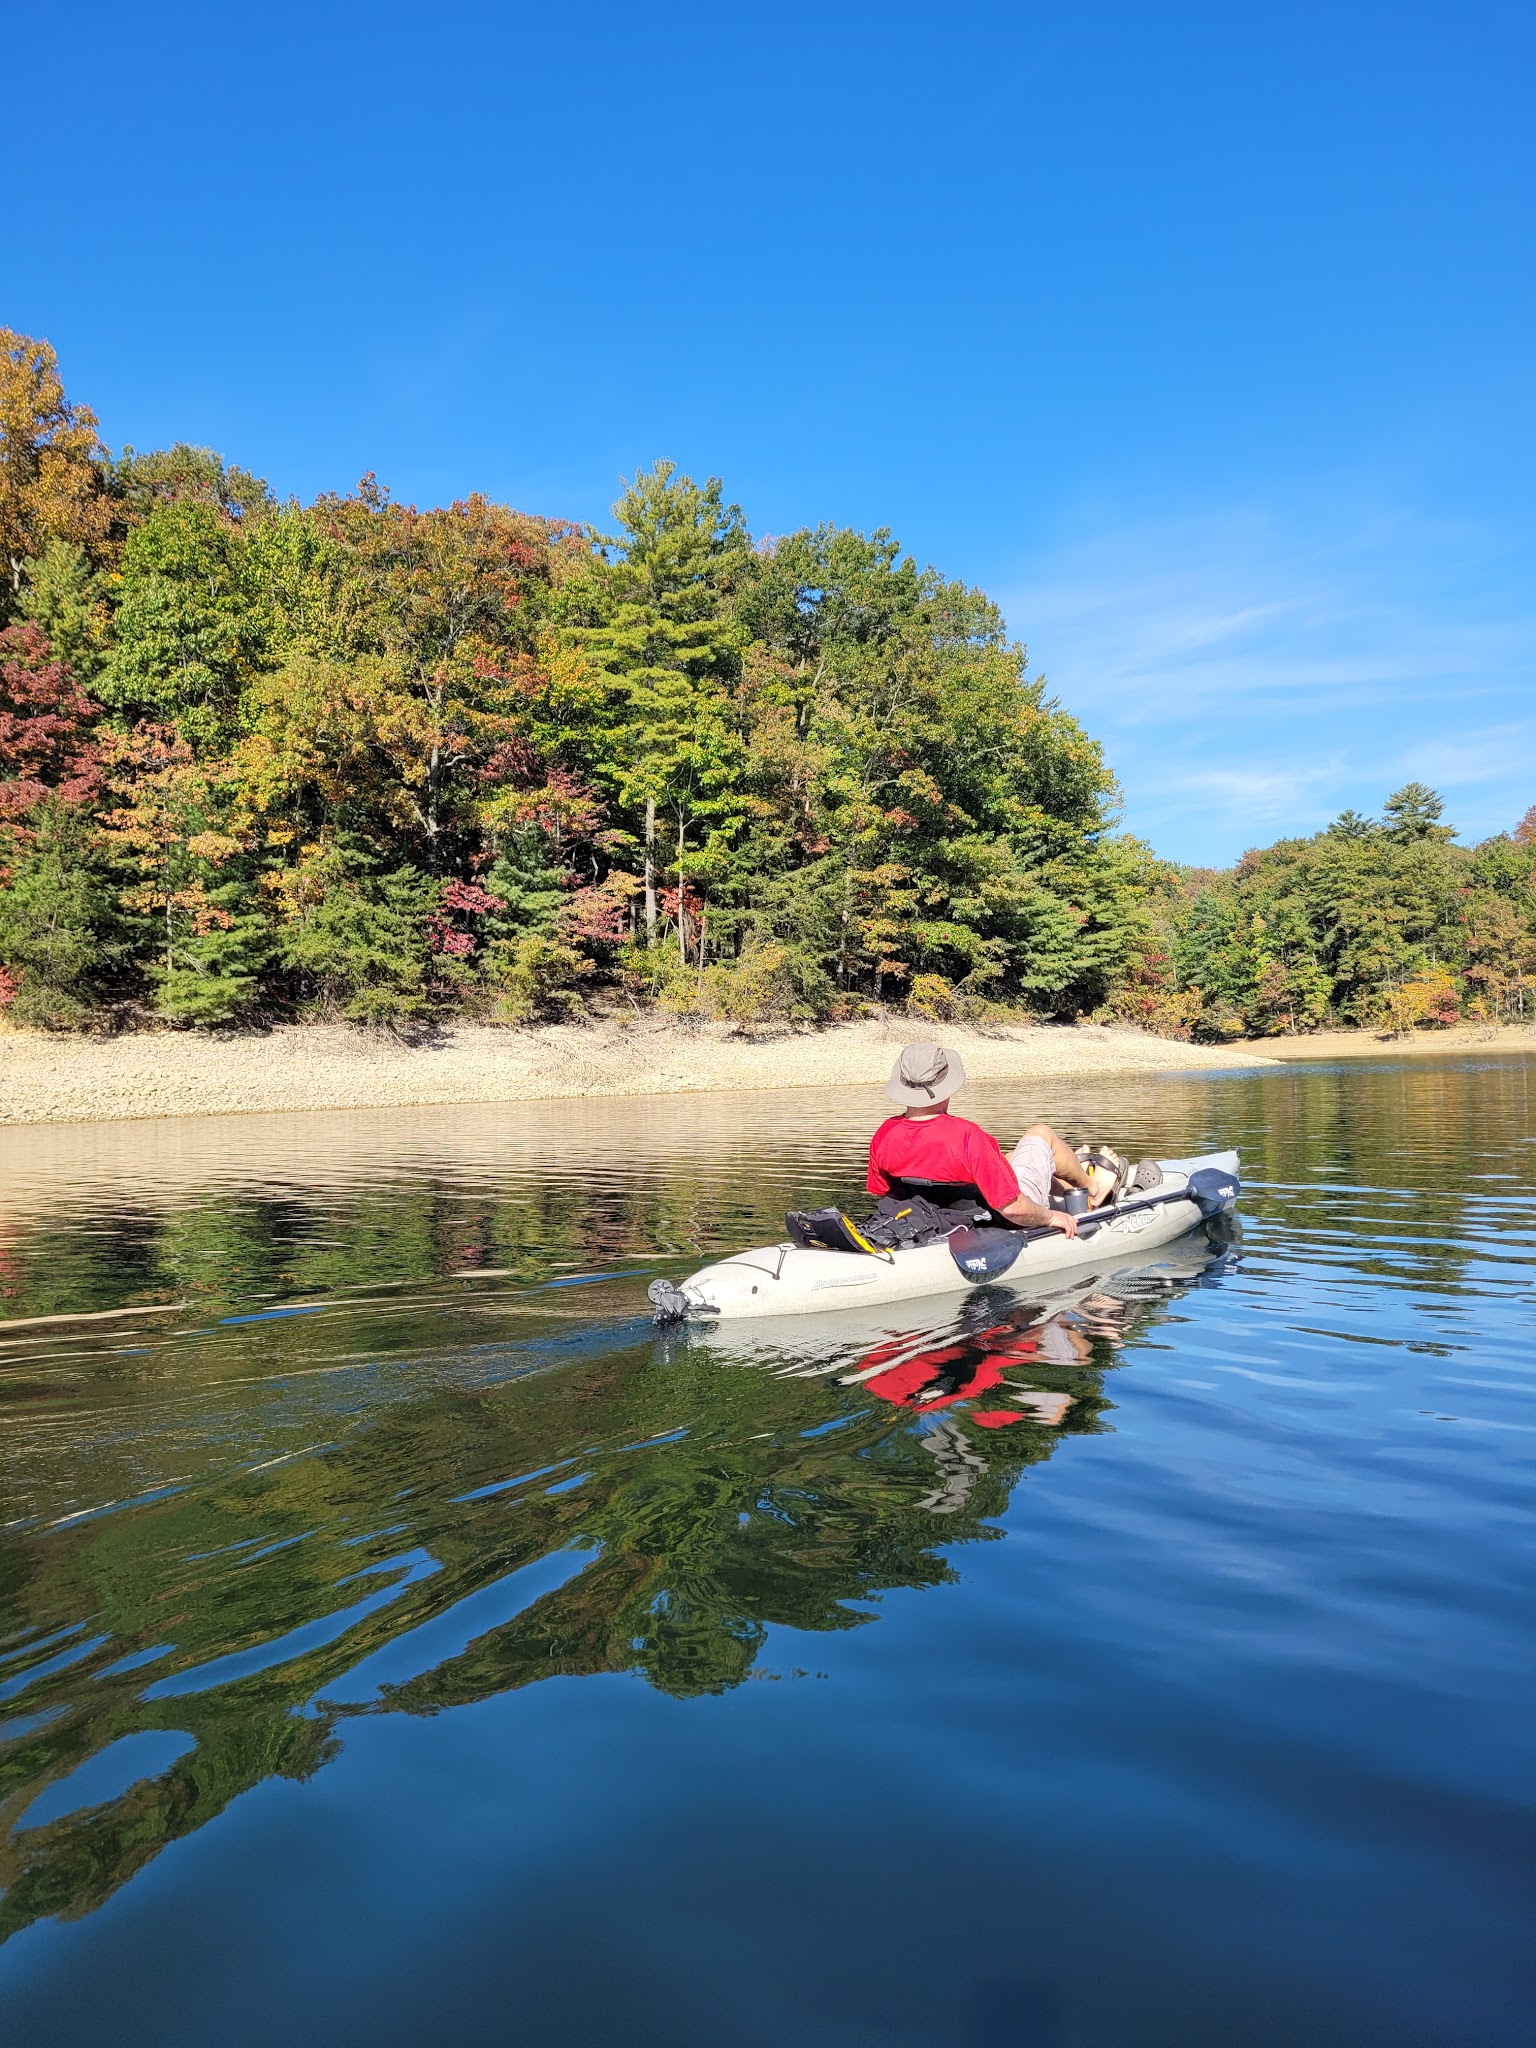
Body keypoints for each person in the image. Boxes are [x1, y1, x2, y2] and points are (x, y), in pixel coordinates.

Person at [868, 1041, 1097, 1238]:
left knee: (1008, 1158)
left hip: (936, 1219)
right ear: (947, 1089)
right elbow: (1012, 1209)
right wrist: (1051, 1217)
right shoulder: (967, 1136)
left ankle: (1069, 1183)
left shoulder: (884, 1134)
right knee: (1040, 1134)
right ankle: (1094, 1189)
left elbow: (888, 1193)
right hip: (997, 1220)